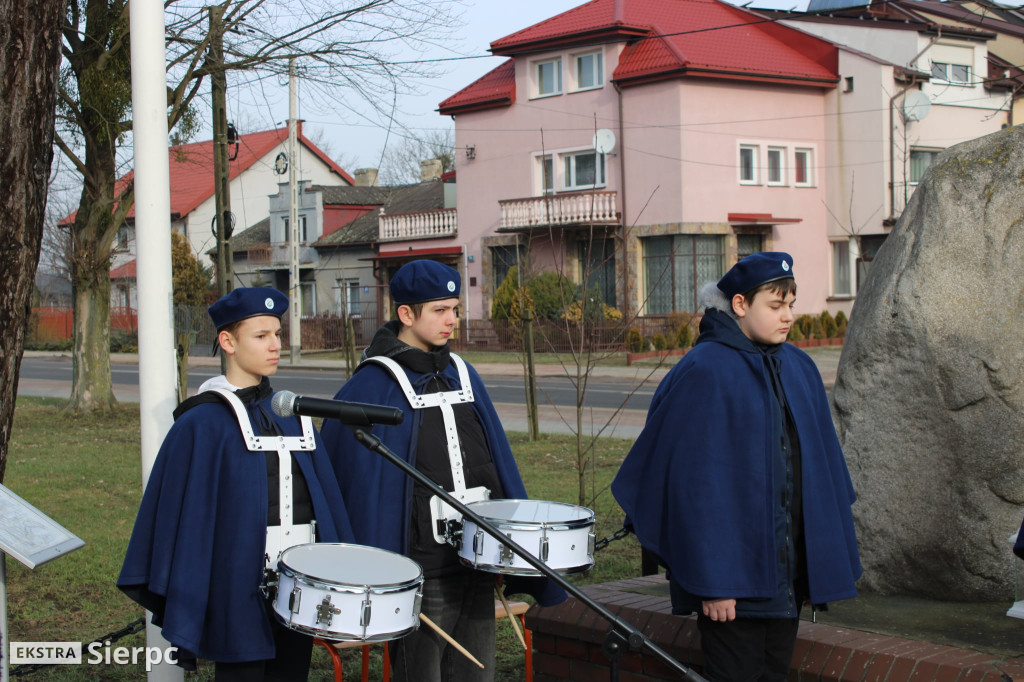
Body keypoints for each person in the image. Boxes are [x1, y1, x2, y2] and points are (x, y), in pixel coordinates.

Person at [612, 252, 861, 682]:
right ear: (740, 304)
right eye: (775, 305)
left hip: (787, 582)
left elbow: (820, 473)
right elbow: (692, 489)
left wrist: (813, 569)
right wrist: (714, 583)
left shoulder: (798, 367)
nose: (788, 317)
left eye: (791, 305)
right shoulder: (704, 370)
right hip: (731, 590)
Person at [321, 259, 563, 682]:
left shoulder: (463, 374)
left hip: (475, 558)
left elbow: (496, 461)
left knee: (477, 673)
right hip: (421, 569)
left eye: (454, 309)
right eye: (439, 310)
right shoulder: (373, 385)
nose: (452, 320)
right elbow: (353, 480)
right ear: (406, 314)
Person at [118, 287, 356, 681]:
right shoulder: (202, 423)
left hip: (297, 582)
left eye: (277, 334)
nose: (275, 345)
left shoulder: (293, 417)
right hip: (235, 585)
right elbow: (187, 516)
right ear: (228, 342)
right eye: (261, 336)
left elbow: (322, 499)